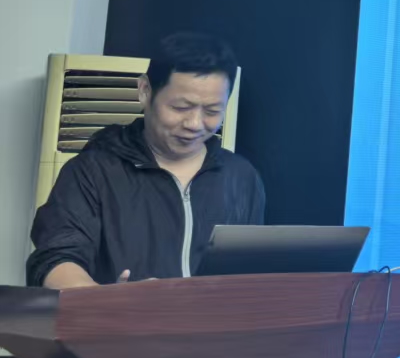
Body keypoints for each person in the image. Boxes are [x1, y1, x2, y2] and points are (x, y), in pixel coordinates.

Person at [26, 33, 265, 288]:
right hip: (114, 315)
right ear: (145, 91)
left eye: (212, 111)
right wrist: (108, 302)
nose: (195, 124)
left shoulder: (241, 177)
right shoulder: (91, 171)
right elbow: (56, 260)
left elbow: (251, 271)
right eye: (181, 107)